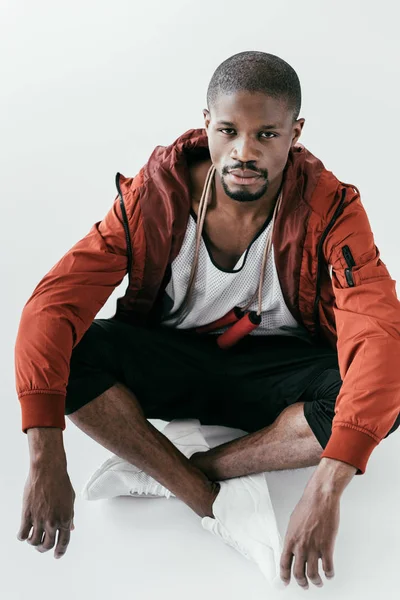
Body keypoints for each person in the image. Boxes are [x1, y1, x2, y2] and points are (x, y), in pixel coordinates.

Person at [15, 51, 400, 590]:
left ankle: (188, 467)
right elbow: (52, 305)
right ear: (206, 124)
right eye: (229, 130)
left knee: (375, 388)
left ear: (296, 132)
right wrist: (44, 454)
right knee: (74, 351)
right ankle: (203, 497)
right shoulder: (156, 197)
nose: (244, 152)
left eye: (267, 134)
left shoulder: (330, 209)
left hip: (276, 374)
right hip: (170, 360)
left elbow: (378, 333)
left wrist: (329, 485)